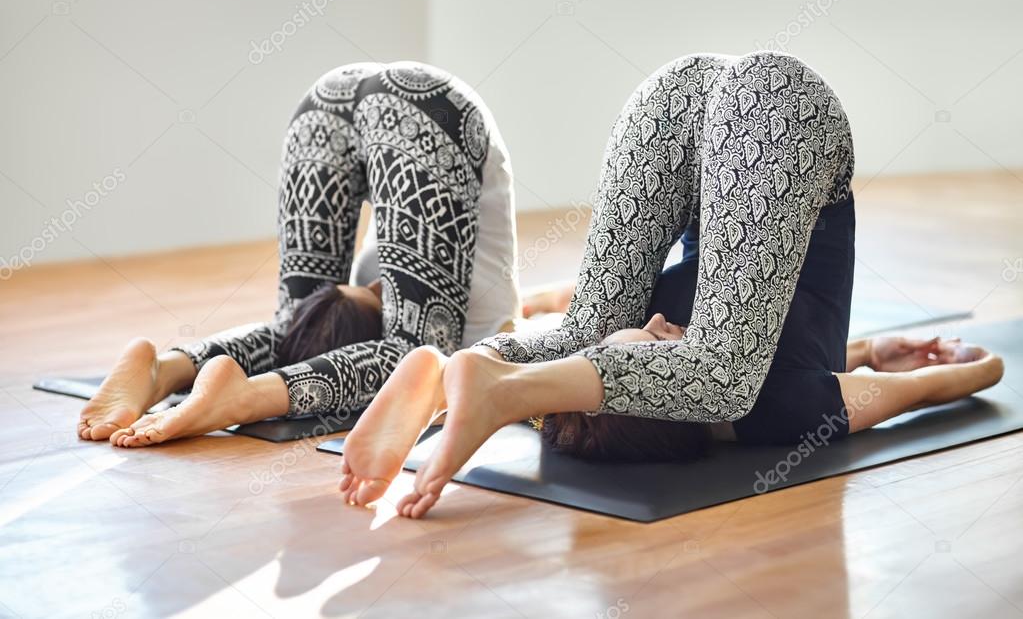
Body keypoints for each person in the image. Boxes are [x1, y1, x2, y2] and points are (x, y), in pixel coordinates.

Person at [335, 51, 1005, 518]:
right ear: (671, 407)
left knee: (583, 332)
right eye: (655, 350)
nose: (658, 326)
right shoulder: (775, 413)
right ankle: (487, 376)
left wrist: (867, 355)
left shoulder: (755, 392)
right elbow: (945, 384)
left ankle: (479, 377)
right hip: (751, 106)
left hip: (708, 108)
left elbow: (775, 337)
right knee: (697, 365)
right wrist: (965, 360)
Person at [77, 61, 521, 446]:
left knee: (292, 324)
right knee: (419, 362)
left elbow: (295, 337)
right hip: (420, 108)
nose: (370, 283)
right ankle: (247, 396)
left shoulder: (477, 313)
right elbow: (423, 368)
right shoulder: (478, 337)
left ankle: (166, 369)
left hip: (328, 100)